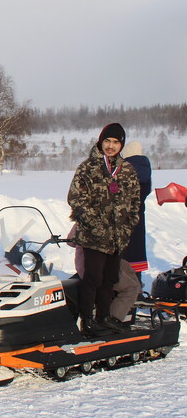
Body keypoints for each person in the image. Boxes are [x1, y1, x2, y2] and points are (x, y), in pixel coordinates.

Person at [67, 123, 141, 336]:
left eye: (116, 142)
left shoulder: (126, 170)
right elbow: (75, 198)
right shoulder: (87, 167)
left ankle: (104, 318)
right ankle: (88, 321)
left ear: (121, 145)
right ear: (101, 142)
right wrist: (96, 227)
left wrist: (127, 229)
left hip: (116, 238)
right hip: (93, 237)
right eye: (107, 141)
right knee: (92, 279)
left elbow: (135, 203)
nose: (111, 146)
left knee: (109, 280)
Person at [69, 224, 141, 325]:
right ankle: (111, 320)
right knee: (131, 288)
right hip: (95, 266)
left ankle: (132, 300)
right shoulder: (105, 219)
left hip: (90, 262)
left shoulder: (85, 216)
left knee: (126, 267)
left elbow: (70, 241)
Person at [121, 141, 152, 288]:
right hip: (139, 215)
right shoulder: (146, 168)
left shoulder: (125, 168)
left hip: (125, 218)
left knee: (124, 257)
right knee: (136, 255)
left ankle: (126, 293)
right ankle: (137, 285)